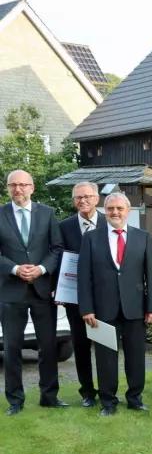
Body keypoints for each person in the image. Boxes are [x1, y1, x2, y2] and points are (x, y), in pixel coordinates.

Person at [77, 193, 152, 416]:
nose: (115, 212)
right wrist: (86, 308)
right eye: (110, 208)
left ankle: (135, 398)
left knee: (136, 357)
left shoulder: (142, 237)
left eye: (119, 209)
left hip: (135, 309)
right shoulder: (91, 238)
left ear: (128, 211)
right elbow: (84, 277)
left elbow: (151, 275)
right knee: (105, 359)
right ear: (105, 210)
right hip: (102, 309)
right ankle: (108, 402)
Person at [1, 169, 65, 414]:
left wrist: (40, 268)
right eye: (13, 185)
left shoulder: (47, 214)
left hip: (41, 290)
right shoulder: (0, 214)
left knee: (48, 347)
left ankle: (49, 397)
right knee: (12, 348)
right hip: (11, 291)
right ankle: (15, 401)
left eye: (23, 185)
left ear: (32, 187)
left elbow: (57, 248)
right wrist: (15, 269)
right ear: (8, 188)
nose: (18, 189)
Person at [59, 181, 102, 407]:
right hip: (75, 297)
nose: (82, 201)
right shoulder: (64, 227)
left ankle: (107, 390)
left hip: (106, 298)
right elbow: (59, 259)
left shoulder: (109, 222)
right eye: (78, 197)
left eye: (87, 196)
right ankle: (87, 392)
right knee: (81, 346)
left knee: (105, 345)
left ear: (96, 198)